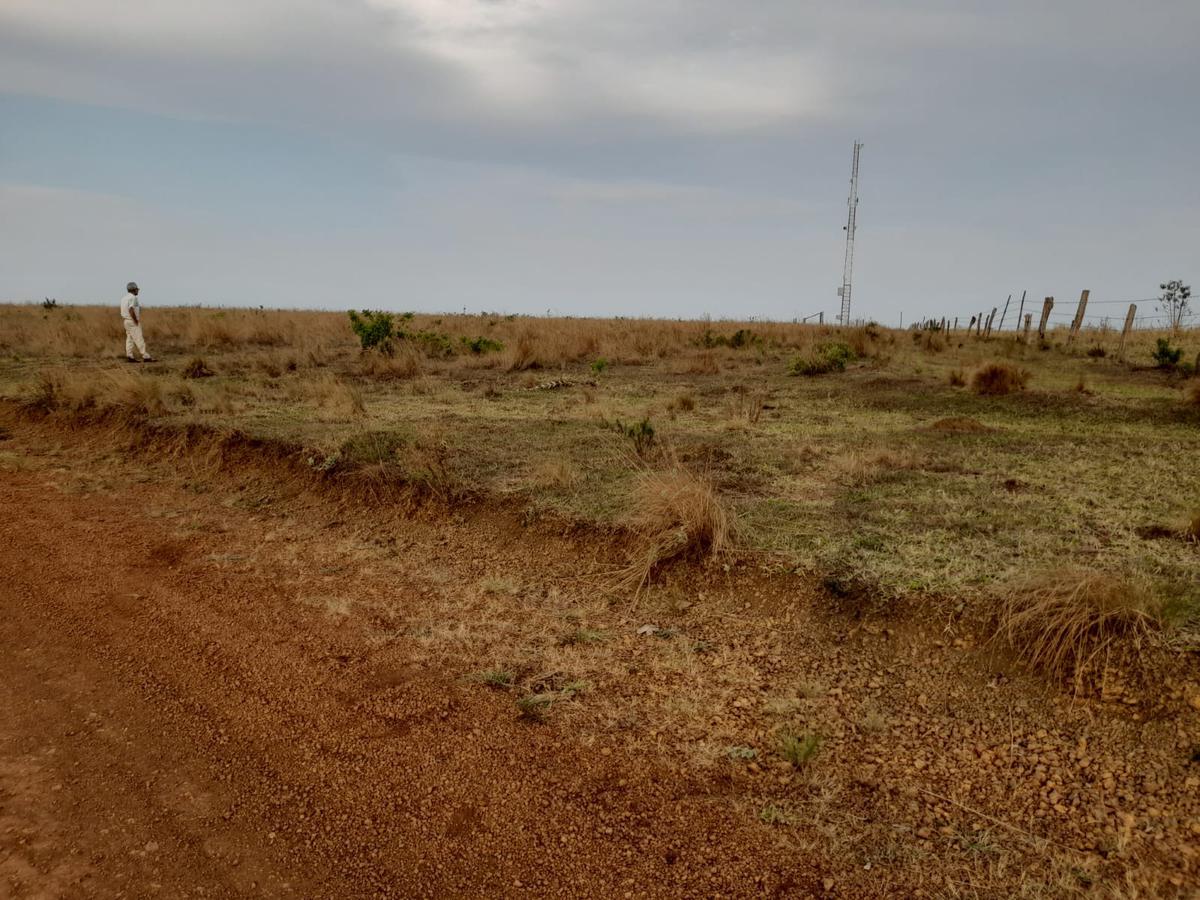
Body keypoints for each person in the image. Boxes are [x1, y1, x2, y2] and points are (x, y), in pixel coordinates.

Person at [120, 281, 155, 362]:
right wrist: (135, 320)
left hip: (126, 321)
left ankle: (130, 356)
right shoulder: (133, 298)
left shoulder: (123, 298)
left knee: (130, 338)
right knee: (139, 338)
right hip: (132, 321)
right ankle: (145, 356)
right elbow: (131, 309)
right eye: (136, 289)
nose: (138, 290)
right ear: (133, 290)